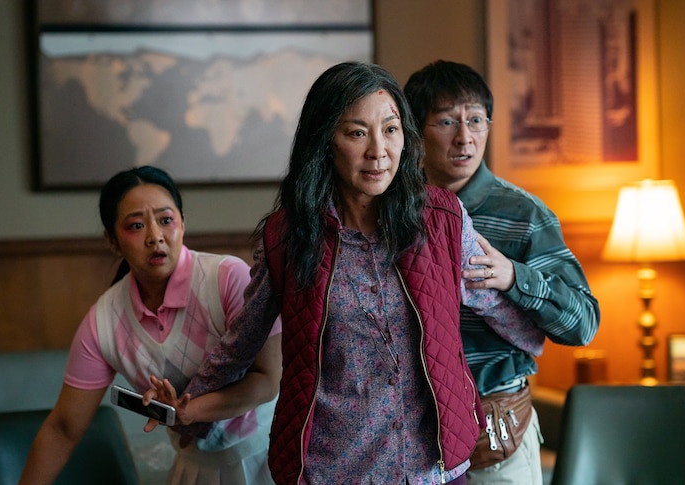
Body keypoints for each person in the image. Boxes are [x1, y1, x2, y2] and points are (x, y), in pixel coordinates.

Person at [146, 61, 540, 485]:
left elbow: (491, 302)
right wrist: (186, 405)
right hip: (332, 468)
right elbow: (241, 341)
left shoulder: (443, 218)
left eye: (390, 130)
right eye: (357, 133)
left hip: (433, 469)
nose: (378, 151)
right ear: (325, 142)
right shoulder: (288, 237)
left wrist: (540, 331)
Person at [19, 166, 282, 485]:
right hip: (194, 468)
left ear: (183, 224)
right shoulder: (104, 320)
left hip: (271, 459)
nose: (155, 236)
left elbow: (269, 380)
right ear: (112, 241)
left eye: (166, 220)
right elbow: (62, 428)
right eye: (136, 225)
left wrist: (192, 411)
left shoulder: (227, 278)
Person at [405, 60, 601, 484]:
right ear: (416, 131)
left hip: (495, 434)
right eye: (446, 121)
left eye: (476, 120)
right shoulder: (395, 211)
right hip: (412, 435)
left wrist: (513, 276)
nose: (465, 137)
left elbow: (583, 324)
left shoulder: (524, 214)